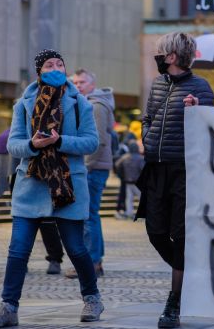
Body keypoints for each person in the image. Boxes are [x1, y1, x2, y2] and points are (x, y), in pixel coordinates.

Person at [0, 49, 102, 328]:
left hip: (67, 185)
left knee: (76, 248)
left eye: (60, 64)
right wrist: (33, 145)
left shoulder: (79, 102)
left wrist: (60, 141)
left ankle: (92, 298)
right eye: (50, 64)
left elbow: (91, 142)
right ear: (39, 71)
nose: (56, 68)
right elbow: (14, 145)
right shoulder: (23, 103)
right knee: (18, 250)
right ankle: (8, 307)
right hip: (30, 184)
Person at [137, 31, 214, 328]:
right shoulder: (157, 84)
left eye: (160, 52)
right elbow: (147, 118)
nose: (156, 56)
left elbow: (210, 126)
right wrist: (147, 136)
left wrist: (197, 111)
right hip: (156, 169)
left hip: (185, 171)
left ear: (171, 57)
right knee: (155, 232)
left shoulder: (201, 87)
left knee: (181, 236)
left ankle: (175, 301)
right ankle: (192, 274)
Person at [0, 128, 65, 275]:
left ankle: (54, 259)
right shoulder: (13, 133)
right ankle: (23, 261)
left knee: (46, 220)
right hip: (20, 178)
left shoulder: (45, 128)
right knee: (24, 221)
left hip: (44, 175)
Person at [66, 69, 115, 278]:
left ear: (92, 85)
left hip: (93, 168)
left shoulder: (95, 106)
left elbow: (99, 140)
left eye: (82, 82)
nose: (78, 85)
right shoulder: (88, 103)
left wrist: (86, 167)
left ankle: (92, 262)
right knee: (91, 215)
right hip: (94, 167)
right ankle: (96, 260)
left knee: (87, 216)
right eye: (75, 82)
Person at [115, 141, 144, 219]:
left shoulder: (125, 157)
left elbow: (117, 165)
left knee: (129, 199)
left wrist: (121, 175)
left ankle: (129, 213)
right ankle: (143, 214)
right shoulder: (140, 158)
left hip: (127, 181)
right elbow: (143, 169)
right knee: (141, 198)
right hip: (138, 182)